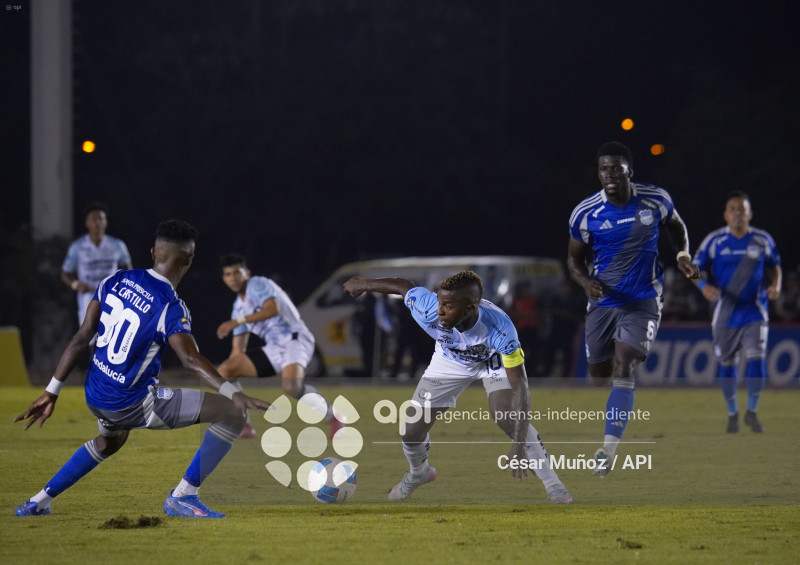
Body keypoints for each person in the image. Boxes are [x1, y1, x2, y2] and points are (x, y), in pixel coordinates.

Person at [14, 220, 271, 519]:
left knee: (110, 442)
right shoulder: (170, 306)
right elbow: (189, 359)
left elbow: (81, 338)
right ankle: (183, 497)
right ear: (189, 260)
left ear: (153, 252)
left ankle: (37, 502)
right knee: (233, 412)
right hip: (132, 403)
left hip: (96, 393)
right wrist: (232, 392)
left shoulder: (115, 280)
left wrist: (51, 391)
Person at [343, 271, 572, 504]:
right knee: (410, 430)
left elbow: (520, 387)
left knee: (506, 415)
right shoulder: (429, 308)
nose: (440, 311)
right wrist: (363, 284)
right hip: (450, 360)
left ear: (469, 309)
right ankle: (419, 472)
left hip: (491, 359)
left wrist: (519, 442)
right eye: (441, 303)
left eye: (448, 306)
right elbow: (404, 286)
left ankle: (556, 488)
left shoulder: (501, 331)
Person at [566, 141, 699, 477]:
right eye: (603, 169)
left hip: (643, 300)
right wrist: (585, 284)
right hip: (602, 302)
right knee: (599, 377)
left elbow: (677, 227)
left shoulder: (655, 199)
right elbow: (573, 260)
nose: (609, 174)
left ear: (630, 171)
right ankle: (611, 379)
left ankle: (607, 450)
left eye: (616, 168)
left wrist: (683, 254)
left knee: (625, 366)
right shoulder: (586, 213)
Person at [215, 254, 343, 439]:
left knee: (291, 386)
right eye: (228, 274)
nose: (233, 278)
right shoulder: (238, 308)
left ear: (247, 273)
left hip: (296, 339)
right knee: (226, 370)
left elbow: (273, 309)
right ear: (224, 279)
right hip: (274, 348)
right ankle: (243, 424)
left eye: (237, 272)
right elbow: (237, 353)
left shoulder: (257, 284)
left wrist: (237, 321)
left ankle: (335, 416)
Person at [692, 192, 782, 433]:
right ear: (726, 215)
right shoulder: (714, 241)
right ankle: (732, 413)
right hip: (725, 313)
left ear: (750, 214)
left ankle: (752, 412)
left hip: (755, 310)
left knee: (756, 359)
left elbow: (775, 266)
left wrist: (776, 285)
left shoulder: (762, 240)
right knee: (727, 364)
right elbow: (693, 268)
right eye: (733, 209)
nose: (738, 213)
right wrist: (703, 286)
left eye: (742, 209)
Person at [61, 202, 133, 326]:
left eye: (101, 219)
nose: (98, 222)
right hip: (88, 299)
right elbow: (65, 273)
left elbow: (128, 269)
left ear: (106, 222)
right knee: (88, 337)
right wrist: (76, 285)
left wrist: (122, 286)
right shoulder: (77, 246)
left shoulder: (117, 245)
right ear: (87, 223)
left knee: (111, 336)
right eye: (94, 219)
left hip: (112, 297)